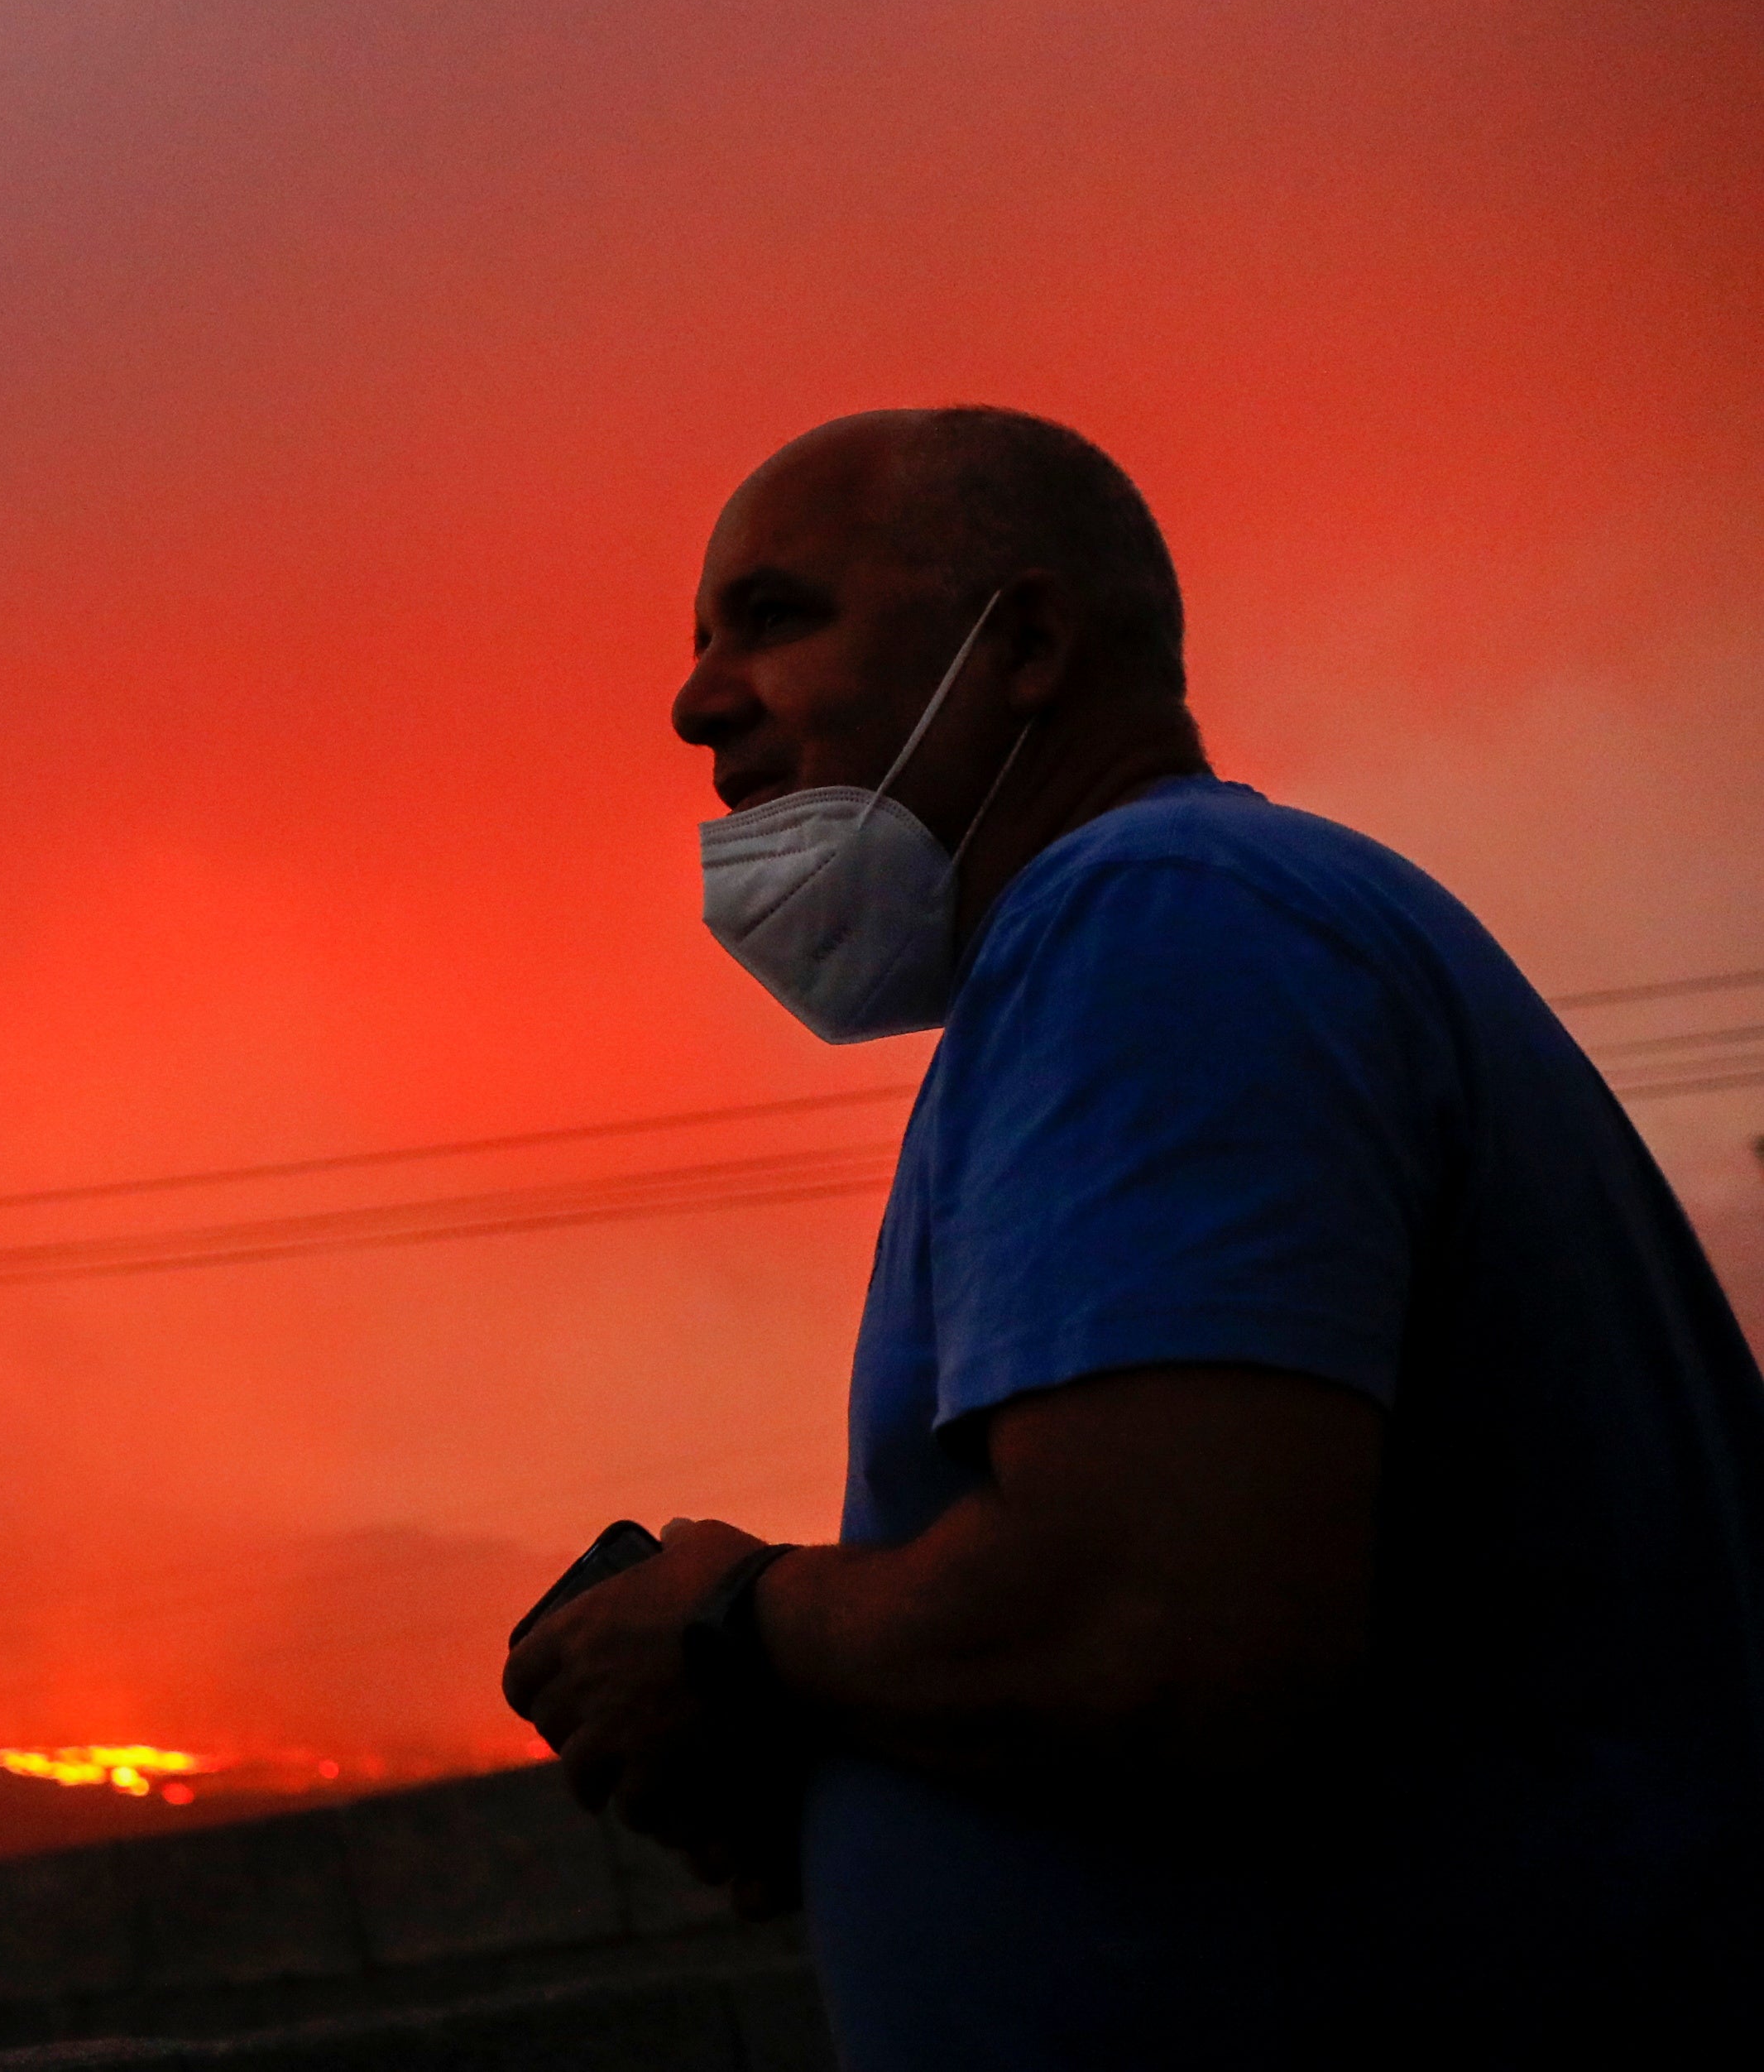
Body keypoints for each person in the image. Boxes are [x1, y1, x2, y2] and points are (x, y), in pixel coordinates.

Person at [502, 406, 1764, 2066]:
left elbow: (1154, 1625)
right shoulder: (1158, 936)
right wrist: (829, 1739)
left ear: (1020, 641)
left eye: (775, 615)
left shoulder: (1153, 915)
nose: (694, 701)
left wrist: (728, 1625)